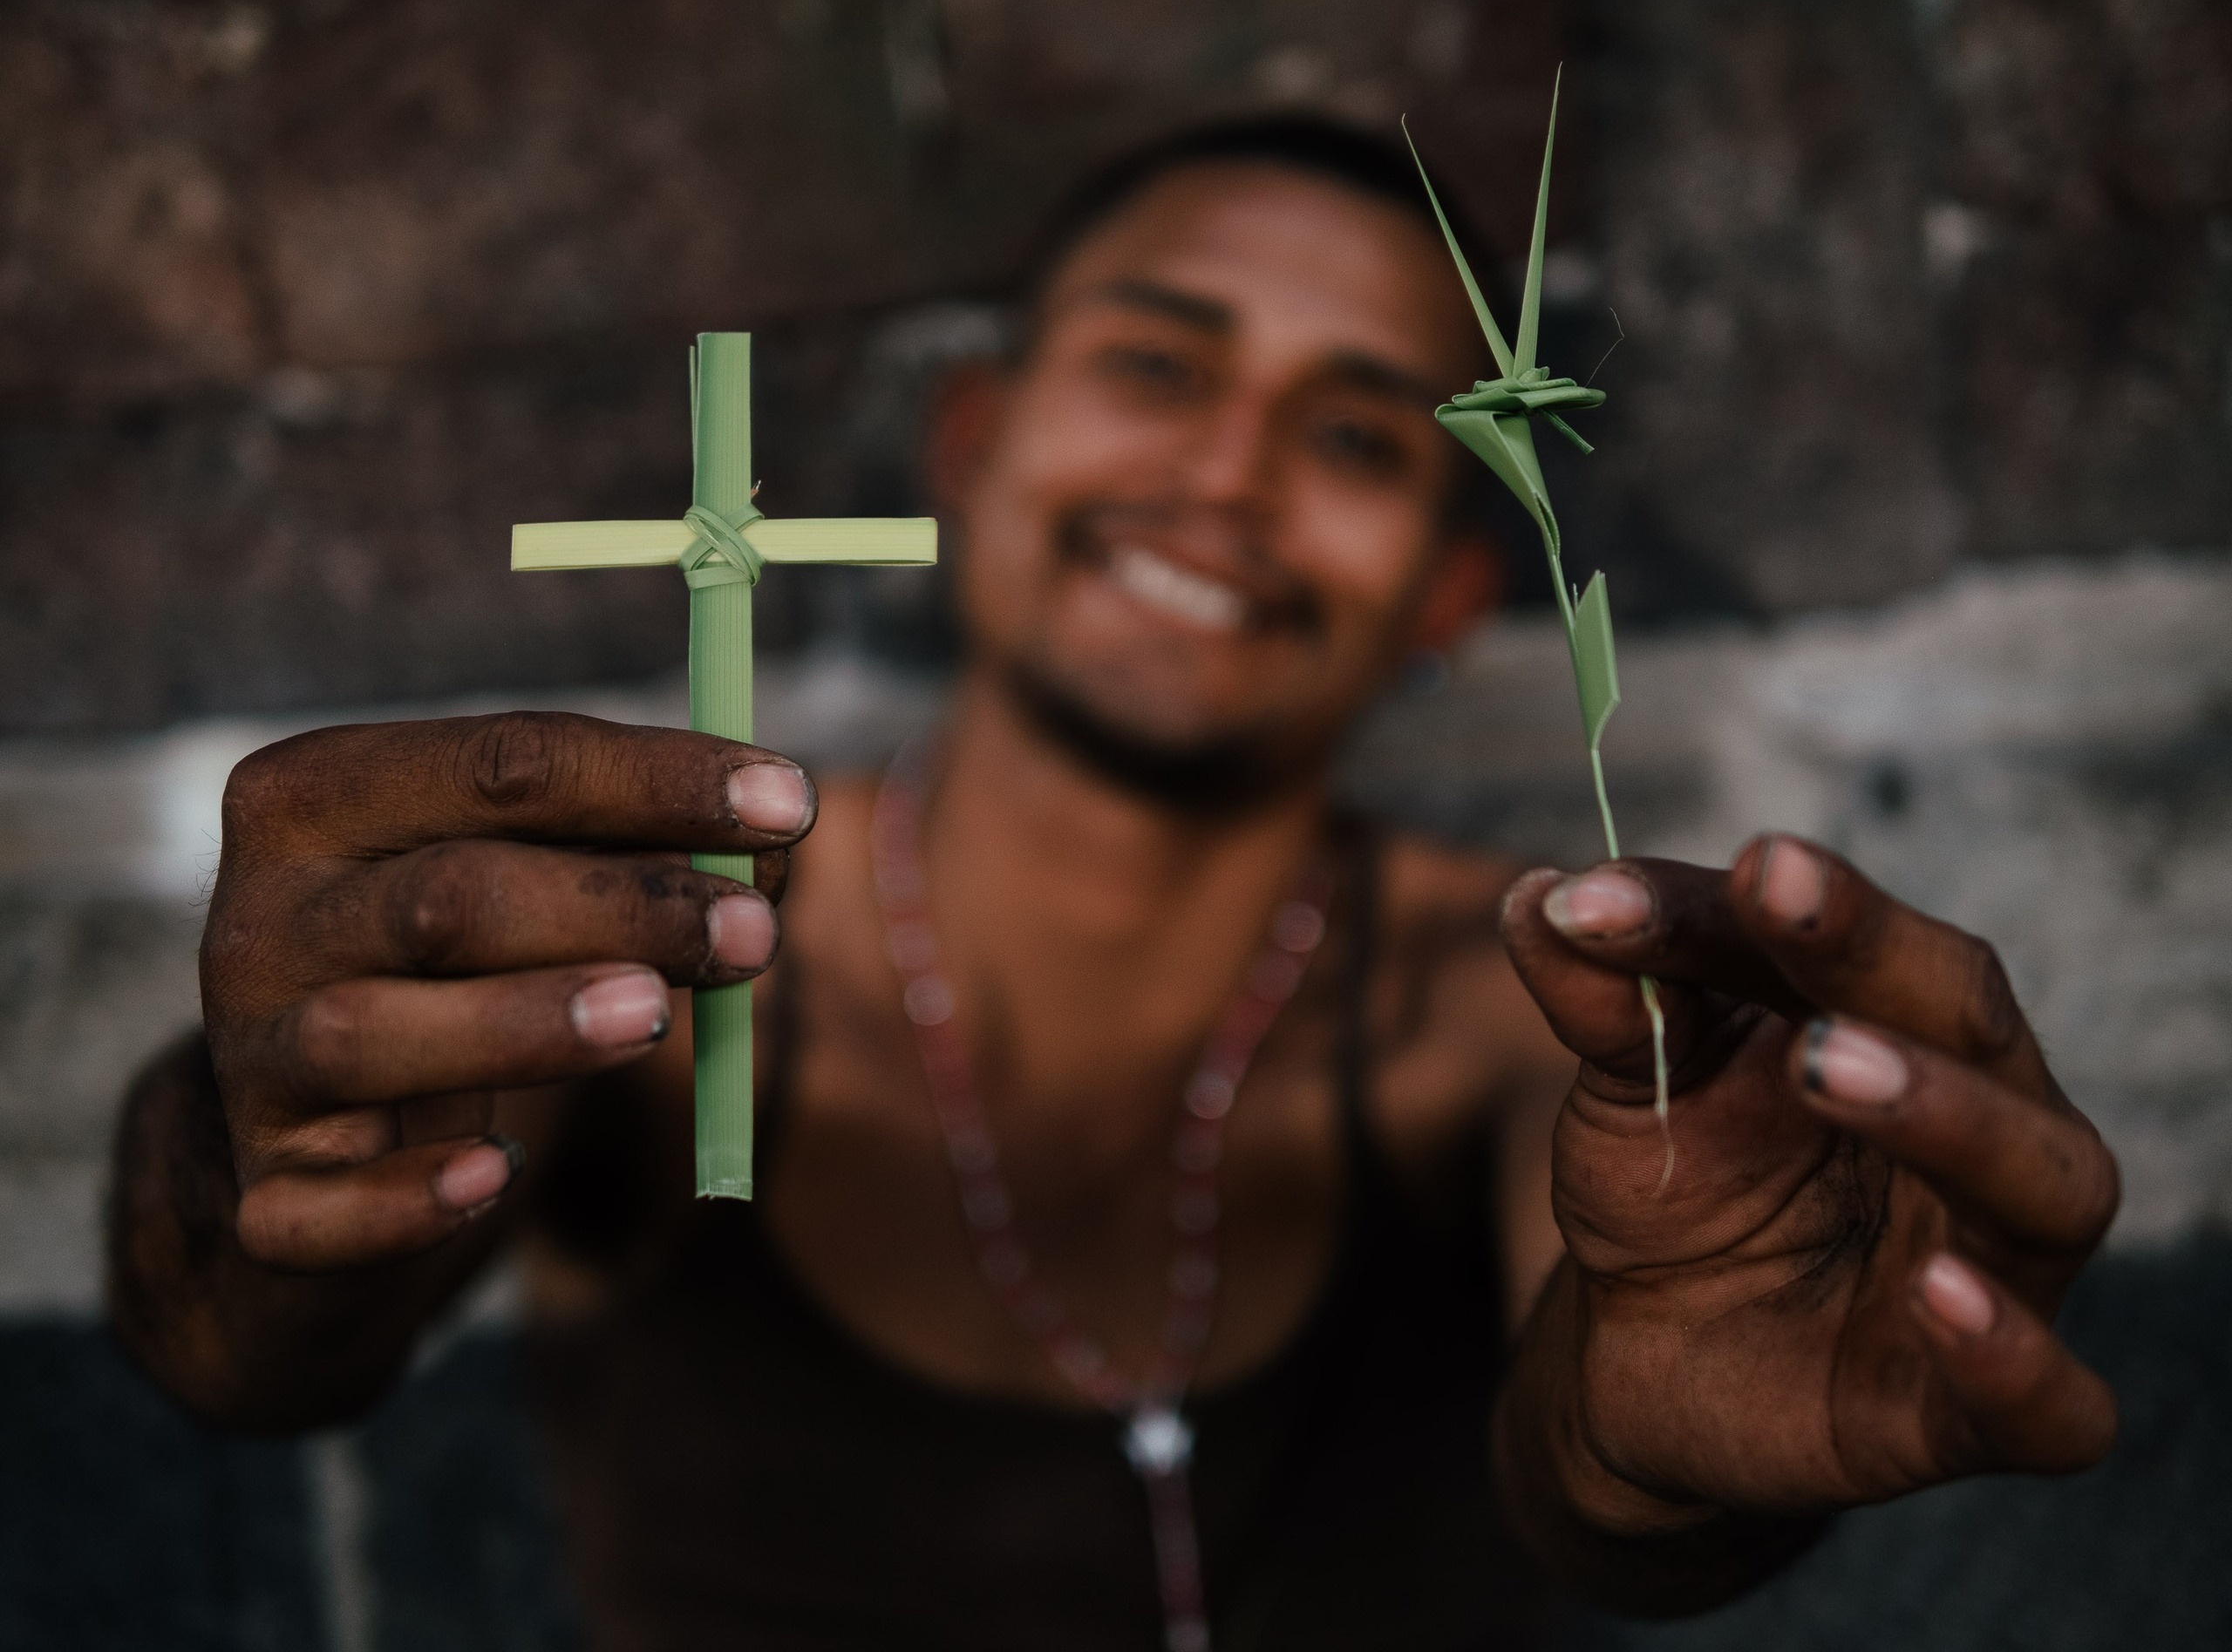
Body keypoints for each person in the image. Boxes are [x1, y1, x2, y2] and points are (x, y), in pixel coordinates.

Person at [105, 117, 2120, 1650]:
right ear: (971, 445)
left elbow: (1612, 1435)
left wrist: (1665, 1467)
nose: (1227, 476)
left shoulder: (1535, 1010)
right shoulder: (653, 966)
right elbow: (248, 1347)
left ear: (1442, 594)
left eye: (1354, 431)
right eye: (1158, 366)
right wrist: (270, 1155)